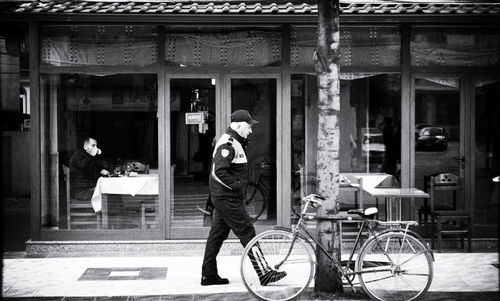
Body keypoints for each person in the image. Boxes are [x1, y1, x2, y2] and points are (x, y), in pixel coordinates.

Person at [201, 110, 287, 286]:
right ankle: (264, 273)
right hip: (227, 198)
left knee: (216, 236)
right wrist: (238, 186)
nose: (250, 130)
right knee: (247, 231)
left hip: (224, 198)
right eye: (248, 126)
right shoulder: (228, 144)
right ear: (238, 125)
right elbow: (218, 172)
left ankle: (208, 275)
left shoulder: (234, 142)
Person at [69, 137, 110, 204]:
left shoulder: (84, 156)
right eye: (93, 145)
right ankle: (104, 213)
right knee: (108, 191)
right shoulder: (79, 156)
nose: (96, 148)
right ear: (85, 147)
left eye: (96, 146)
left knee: (106, 188)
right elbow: (87, 166)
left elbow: (92, 167)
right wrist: (94, 155)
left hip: (85, 189)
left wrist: (100, 170)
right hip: (81, 192)